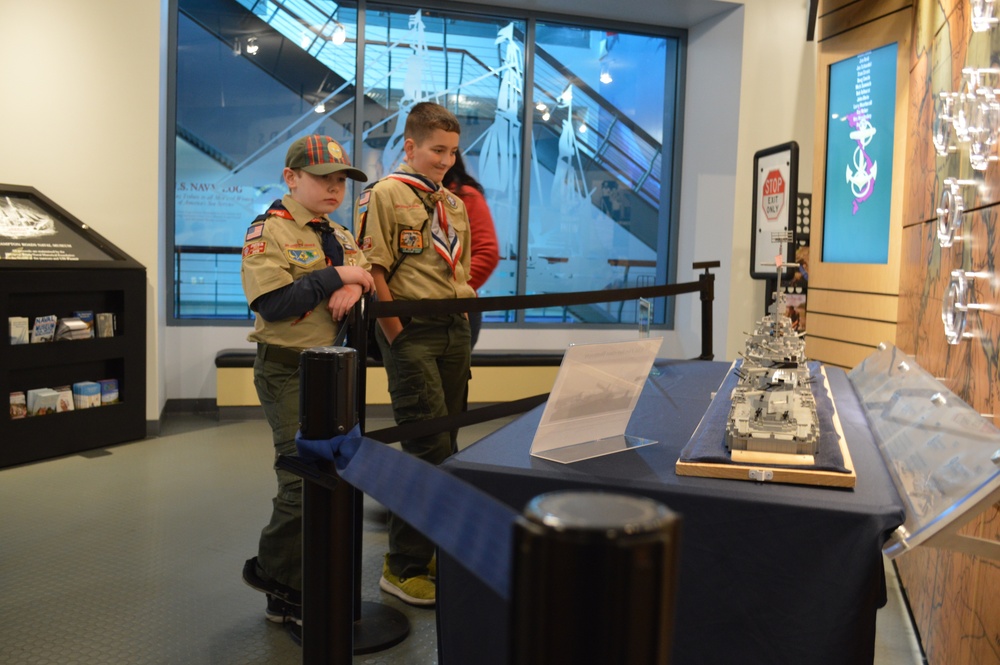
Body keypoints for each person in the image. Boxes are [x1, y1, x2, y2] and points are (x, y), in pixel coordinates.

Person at [239, 135, 374, 629]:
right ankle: (277, 580)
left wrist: (354, 279)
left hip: (336, 368)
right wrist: (339, 277)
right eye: (322, 178)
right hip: (289, 368)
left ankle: (303, 582)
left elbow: (369, 276)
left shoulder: (337, 231)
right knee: (301, 480)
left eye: (341, 179)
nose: (334, 188)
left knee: (330, 478)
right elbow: (274, 303)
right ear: (291, 177)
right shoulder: (267, 231)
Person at [355, 102, 476, 607]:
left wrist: (464, 323)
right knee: (426, 449)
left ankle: (429, 550)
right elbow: (374, 269)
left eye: (451, 151)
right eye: (436, 150)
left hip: (454, 331)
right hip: (412, 332)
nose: (445, 160)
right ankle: (401, 566)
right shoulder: (383, 195)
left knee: (448, 444)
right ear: (410, 146)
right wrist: (396, 332)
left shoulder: (453, 203)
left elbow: (460, 271)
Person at [443, 151, 499, 348]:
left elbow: (487, 252)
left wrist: (454, 291)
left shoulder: (465, 196)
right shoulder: (404, 195)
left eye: (446, 151)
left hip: (457, 309)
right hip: (414, 309)